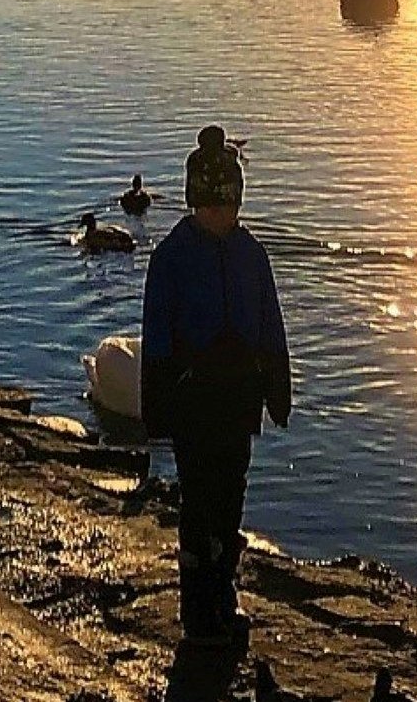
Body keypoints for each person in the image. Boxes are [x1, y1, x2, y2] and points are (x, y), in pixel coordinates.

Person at [140, 124, 291, 650]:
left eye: (228, 205)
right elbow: (156, 331)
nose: (221, 216)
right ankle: (197, 605)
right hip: (192, 399)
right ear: (195, 202)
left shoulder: (252, 254)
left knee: (231, 497)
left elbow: (270, 322)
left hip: (239, 398)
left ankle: (224, 590)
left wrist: (278, 386)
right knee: (198, 500)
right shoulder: (173, 257)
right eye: (211, 206)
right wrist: (155, 404)